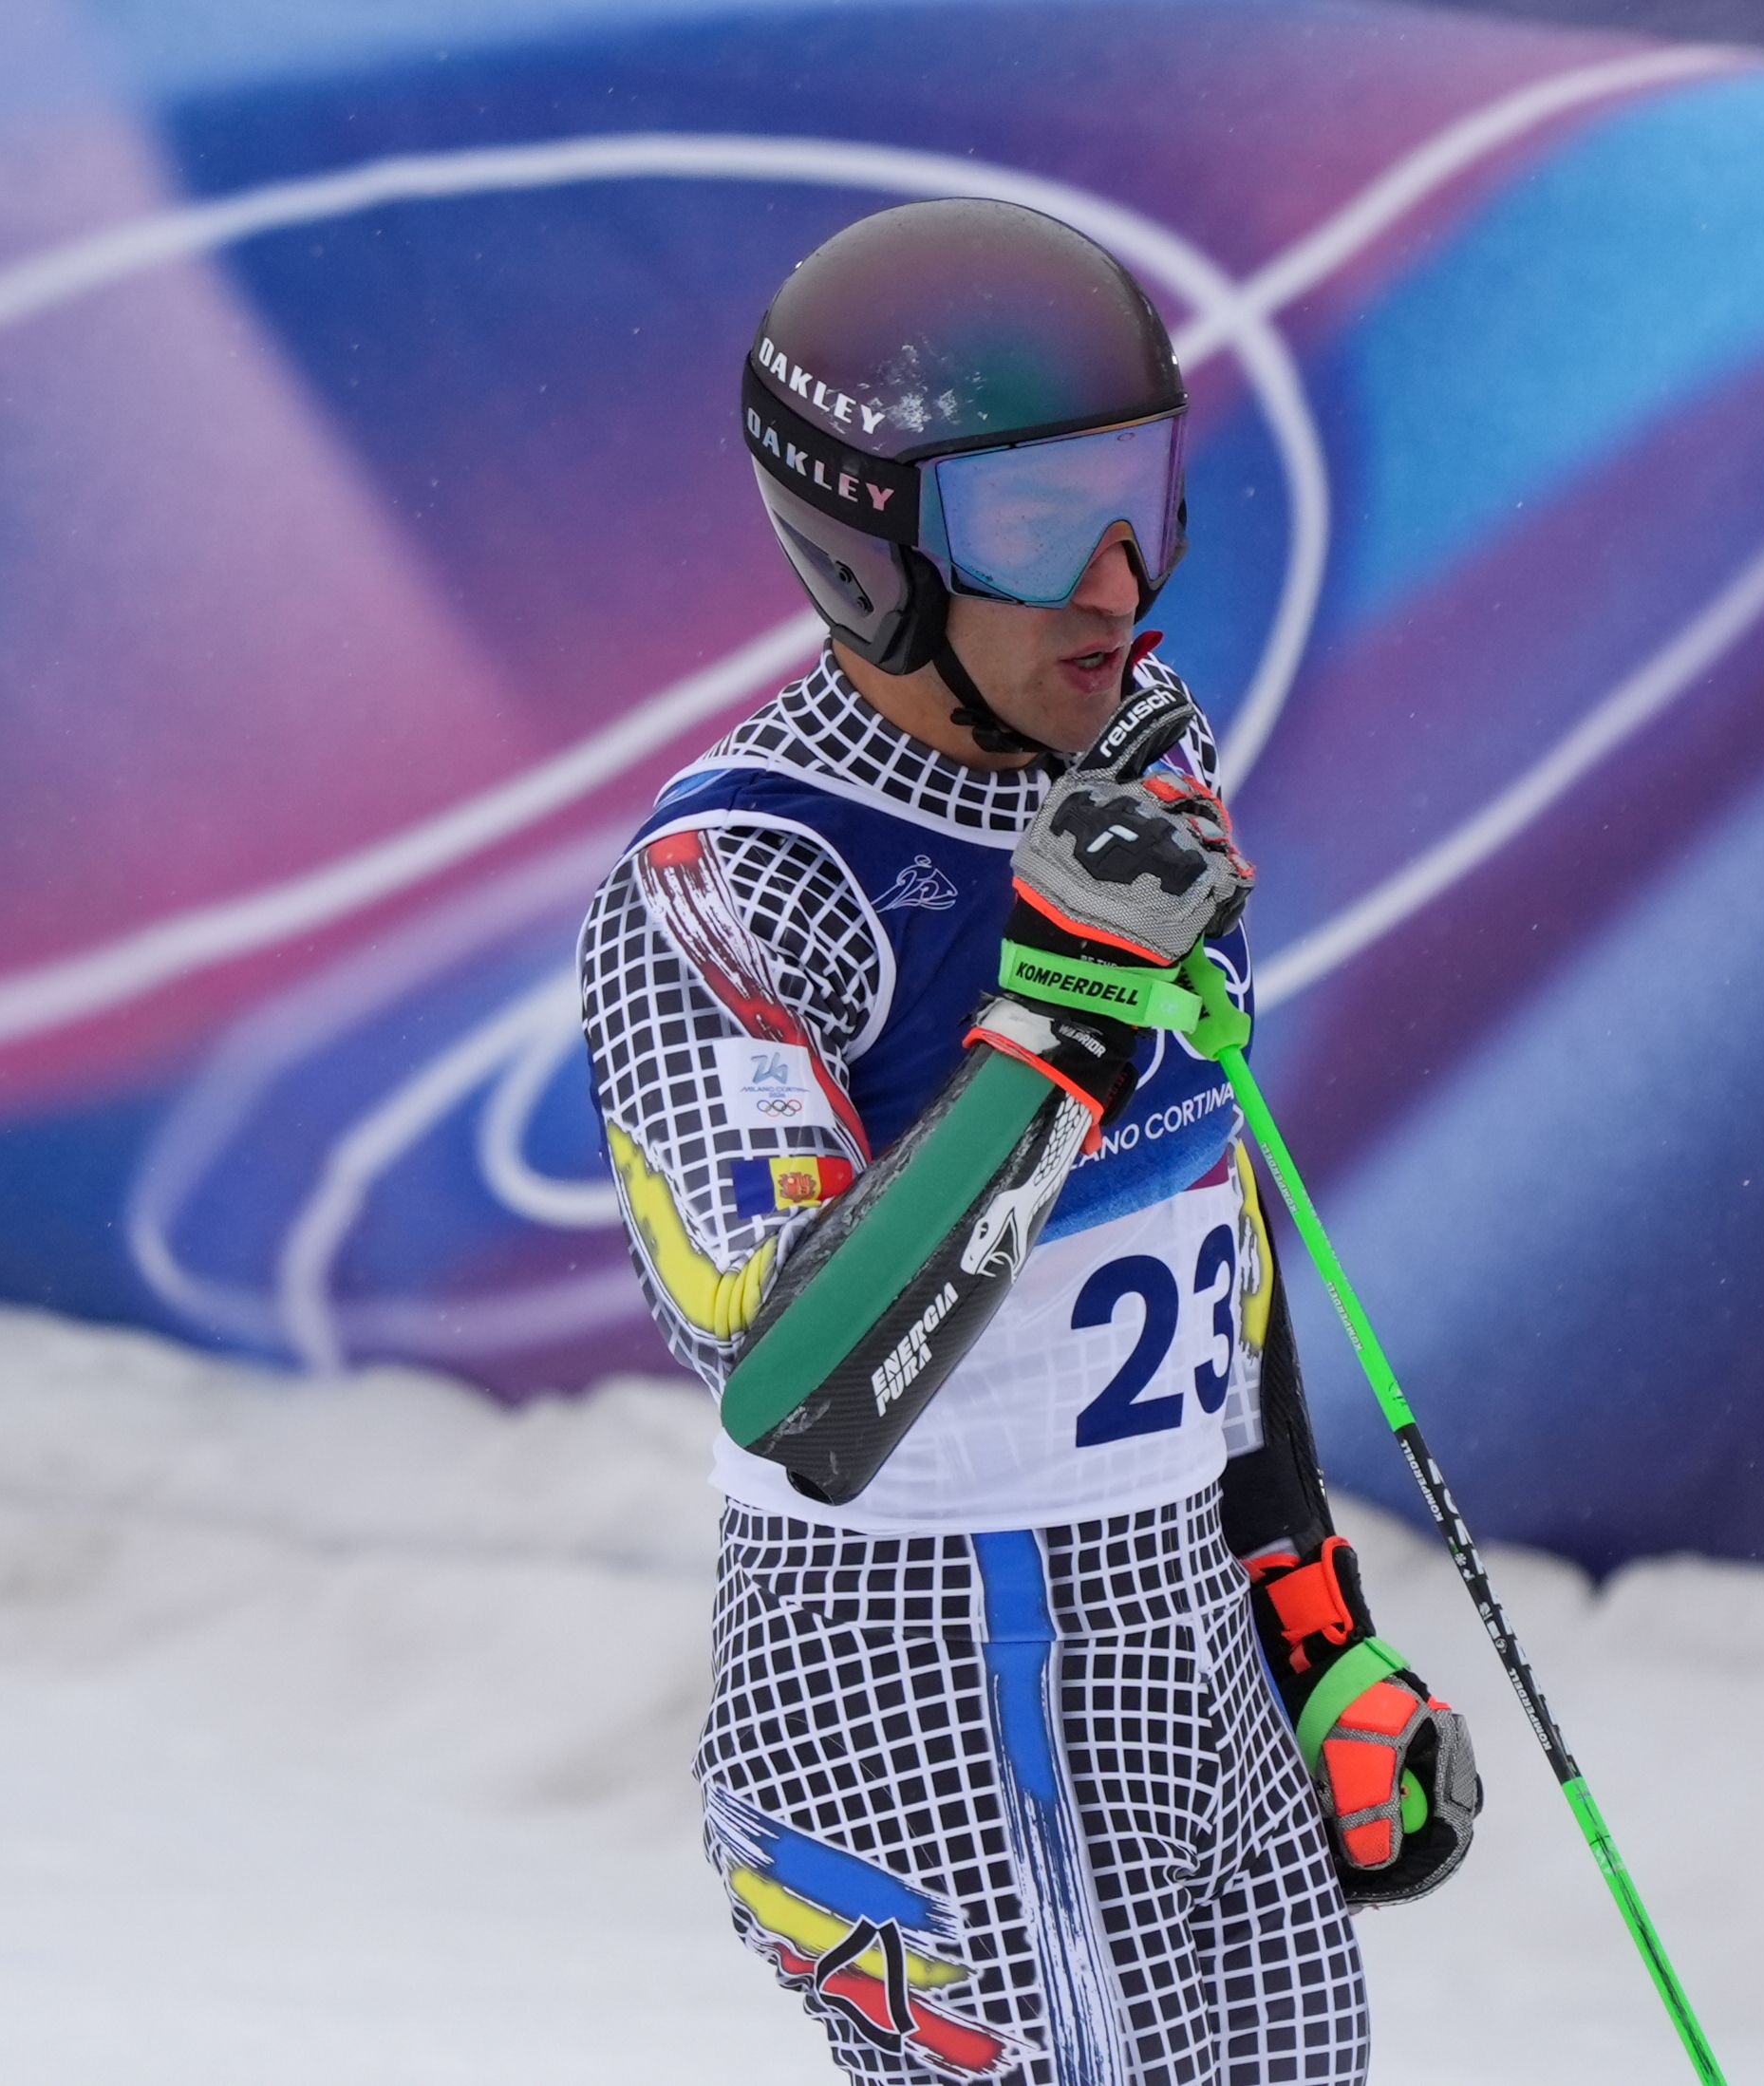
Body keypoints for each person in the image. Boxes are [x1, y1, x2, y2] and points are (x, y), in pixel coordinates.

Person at [578, 198, 1476, 2085]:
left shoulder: (1143, 744)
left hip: (1173, 1621)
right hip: (916, 1654)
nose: (1114, 582)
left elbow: (1204, 1208)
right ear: (870, 555)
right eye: (1033, 521)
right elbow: (789, 1388)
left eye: (1139, 495)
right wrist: (1051, 1025)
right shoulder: (738, 878)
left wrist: (1306, 1620)